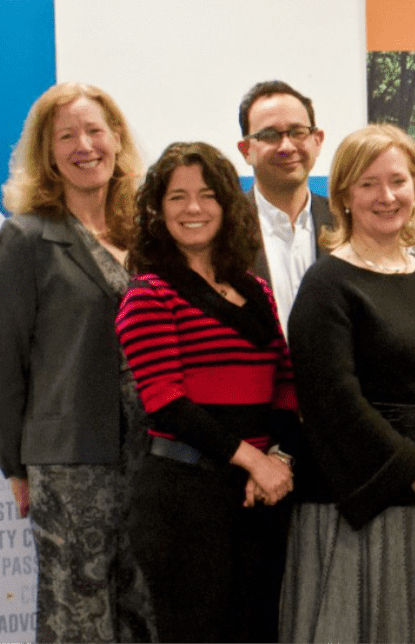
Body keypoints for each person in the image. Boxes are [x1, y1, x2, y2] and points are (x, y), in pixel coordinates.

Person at [281, 125, 415, 642]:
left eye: (399, 180)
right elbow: (333, 403)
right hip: (363, 510)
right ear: (346, 195)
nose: (387, 196)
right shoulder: (327, 283)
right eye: (369, 183)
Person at [0, 81, 152, 642]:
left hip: (153, 456)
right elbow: (0, 364)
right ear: (48, 155)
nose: (85, 146)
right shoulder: (25, 238)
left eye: (95, 131)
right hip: (72, 463)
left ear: (117, 139)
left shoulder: (146, 235)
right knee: (76, 615)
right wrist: (14, 465)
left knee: (144, 609)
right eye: (67, 136)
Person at [115, 142, 298, 643]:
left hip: (259, 497)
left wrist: (275, 460)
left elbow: (286, 383)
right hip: (184, 496)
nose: (193, 209)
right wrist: (253, 460)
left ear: (226, 205)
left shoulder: (255, 289)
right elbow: (165, 401)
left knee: (258, 629)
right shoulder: (149, 294)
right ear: (158, 209)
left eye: (207, 195)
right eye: (177, 197)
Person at [236, 80, 333, 333]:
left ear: (317, 140)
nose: (287, 146)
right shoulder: (223, 230)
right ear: (246, 150)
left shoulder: (349, 225)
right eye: (268, 135)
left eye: (298, 132)